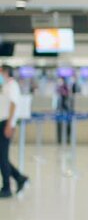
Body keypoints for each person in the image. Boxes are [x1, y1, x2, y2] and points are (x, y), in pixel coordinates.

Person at [0, 65, 29, 198]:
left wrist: (9, 124)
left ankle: (6, 188)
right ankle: (19, 177)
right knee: (2, 157)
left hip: (6, 123)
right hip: (3, 122)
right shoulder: (5, 85)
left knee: (3, 157)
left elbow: (13, 104)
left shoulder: (12, 85)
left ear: (5, 72)